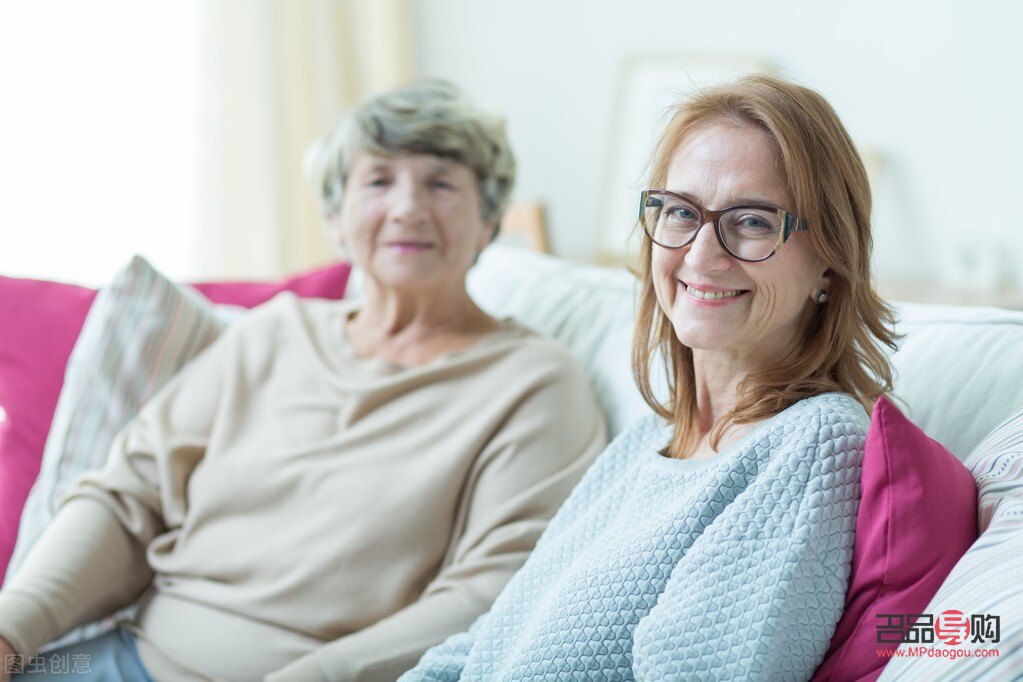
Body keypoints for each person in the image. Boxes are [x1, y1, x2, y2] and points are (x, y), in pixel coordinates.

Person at [0, 81, 607, 682]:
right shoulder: (272, 336)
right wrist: (11, 632)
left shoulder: (533, 384)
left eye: (442, 182)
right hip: (121, 661)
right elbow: (127, 498)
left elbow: (492, 589)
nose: (407, 207)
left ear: (489, 221)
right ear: (336, 219)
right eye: (377, 181)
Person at [402, 74, 900, 680]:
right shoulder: (647, 442)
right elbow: (490, 639)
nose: (700, 255)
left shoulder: (814, 446)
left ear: (830, 259)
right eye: (680, 212)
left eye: (752, 221)